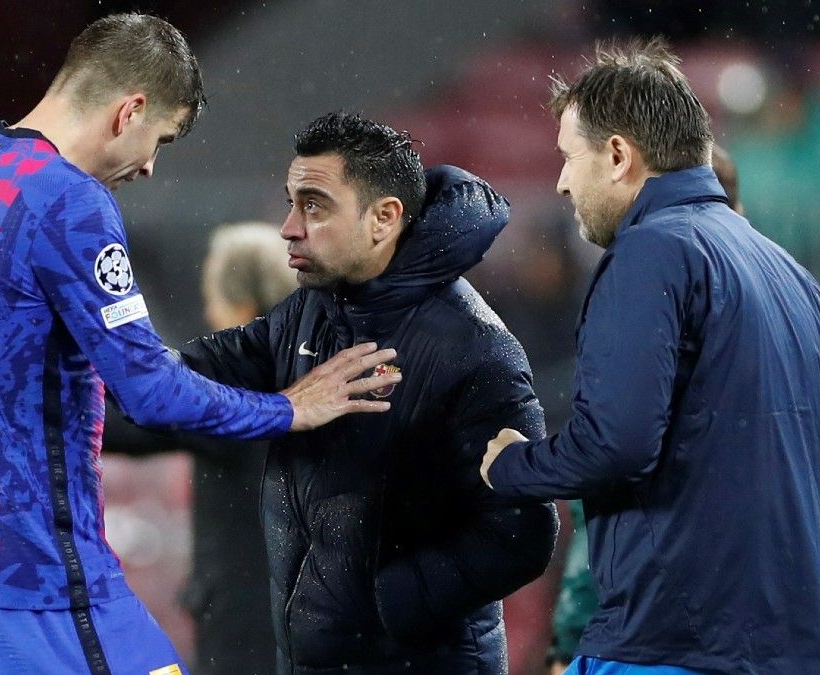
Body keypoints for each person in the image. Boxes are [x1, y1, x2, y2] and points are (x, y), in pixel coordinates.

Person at [0, 14, 397, 675]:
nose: (149, 167)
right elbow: (151, 390)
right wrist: (290, 408)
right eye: (159, 138)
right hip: (39, 587)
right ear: (128, 110)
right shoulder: (66, 199)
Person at [481, 38, 820, 675]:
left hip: (673, 641)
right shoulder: (787, 273)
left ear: (617, 155)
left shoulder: (652, 254)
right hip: (788, 644)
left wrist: (512, 467)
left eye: (567, 158)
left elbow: (618, 442)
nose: (558, 182)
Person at [177, 111, 558, 674]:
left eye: (314, 205)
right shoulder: (308, 312)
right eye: (291, 203)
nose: (288, 227)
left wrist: (381, 605)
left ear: (384, 218)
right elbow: (196, 372)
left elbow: (522, 533)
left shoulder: (474, 348)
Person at [544, 145, 745, 675]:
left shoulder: (644, 292)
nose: (564, 183)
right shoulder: (793, 299)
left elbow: (613, 465)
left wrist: (569, 641)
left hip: (664, 639)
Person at [104, 222, 295, 675]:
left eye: (214, 297)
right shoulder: (310, 370)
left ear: (242, 304)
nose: (209, 313)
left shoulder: (236, 388)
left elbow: (130, 426)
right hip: (305, 610)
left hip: (245, 617)